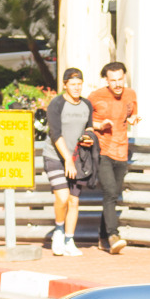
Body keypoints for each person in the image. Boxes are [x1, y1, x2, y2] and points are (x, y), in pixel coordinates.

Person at [88, 62, 139, 254]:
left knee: (113, 194)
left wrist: (134, 119)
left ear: (124, 78)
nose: (117, 84)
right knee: (110, 192)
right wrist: (100, 126)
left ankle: (102, 238)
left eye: (120, 79)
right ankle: (113, 235)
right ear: (106, 80)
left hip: (122, 151)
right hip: (102, 151)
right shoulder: (95, 96)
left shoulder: (131, 95)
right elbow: (85, 120)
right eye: (113, 80)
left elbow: (132, 114)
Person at [44, 68, 94, 256]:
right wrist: (67, 160)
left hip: (77, 157)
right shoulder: (56, 104)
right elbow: (55, 134)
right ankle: (58, 230)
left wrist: (89, 137)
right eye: (73, 84)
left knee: (74, 201)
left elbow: (89, 126)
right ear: (65, 85)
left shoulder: (86, 104)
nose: (76, 88)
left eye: (79, 84)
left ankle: (69, 239)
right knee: (62, 197)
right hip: (55, 156)